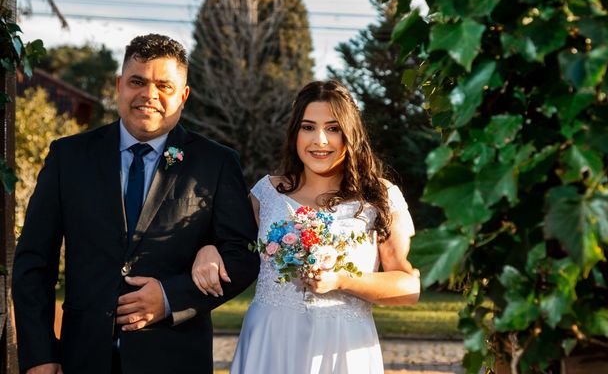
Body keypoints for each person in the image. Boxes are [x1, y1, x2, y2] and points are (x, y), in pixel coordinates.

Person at [12, 34, 259, 374]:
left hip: (174, 359)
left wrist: (172, 297)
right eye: (137, 82)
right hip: (81, 359)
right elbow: (33, 263)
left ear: (183, 96)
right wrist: (39, 354)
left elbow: (243, 256)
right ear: (119, 85)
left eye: (164, 86)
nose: (149, 95)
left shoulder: (215, 163)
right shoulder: (68, 157)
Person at [192, 80, 421, 374]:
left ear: (351, 134)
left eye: (333, 128)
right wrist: (207, 248)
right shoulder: (266, 192)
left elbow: (408, 287)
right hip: (270, 342)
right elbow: (229, 246)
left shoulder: (379, 197)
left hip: (341, 347)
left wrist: (342, 280)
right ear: (294, 133)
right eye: (308, 127)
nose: (320, 140)